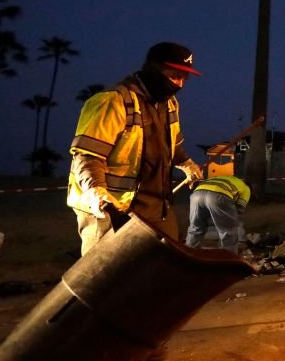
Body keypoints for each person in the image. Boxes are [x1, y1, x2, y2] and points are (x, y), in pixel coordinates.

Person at [68, 41, 204, 255]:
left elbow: (171, 145)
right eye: (173, 75)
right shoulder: (112, 102)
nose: (179, 84)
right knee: (107, 277)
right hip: (112, 210)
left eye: (184, 78)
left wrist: (186, 162)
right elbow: (87, 157)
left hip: (156, 207)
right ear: (153, 68)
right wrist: (96, 191)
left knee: (162, 266)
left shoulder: (169, 104)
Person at [185, 175, 251, 253]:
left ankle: (188, 255)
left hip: (196, 195)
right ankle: (227, 260)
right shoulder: (246, 188)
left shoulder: (227, 178)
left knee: (195, 228)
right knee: (228, 232)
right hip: (219, 196)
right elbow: (239, 209)